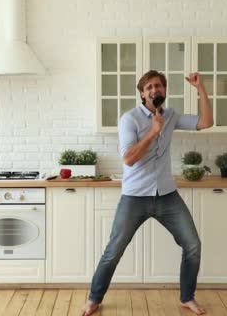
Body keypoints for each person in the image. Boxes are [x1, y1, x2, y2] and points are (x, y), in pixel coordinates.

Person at [81, 70, 213, 316]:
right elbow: (129, 159)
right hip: (135, 197)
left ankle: (187, 297)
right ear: (142, 93)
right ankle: (94, 298)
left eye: (159, 86)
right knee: (114, 250)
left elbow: (206, 122)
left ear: (164, 92)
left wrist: (201, 89)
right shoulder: (129, 119)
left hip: (167, 196)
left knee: (192, 245)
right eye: (150, 87)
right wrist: (153, 131)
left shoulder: (171, 115)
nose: (155, 90)